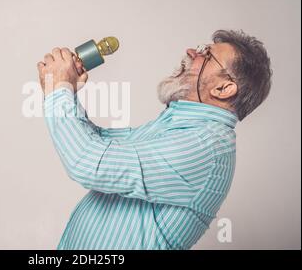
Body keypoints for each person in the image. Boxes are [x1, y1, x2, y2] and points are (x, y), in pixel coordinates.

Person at [36, 30, 272, 249]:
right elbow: (99, 144)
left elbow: (88, 163)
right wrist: (65, 92)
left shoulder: (206, 145)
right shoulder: (178, 127)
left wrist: (59, 91)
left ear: (223, 88)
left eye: (206, 55)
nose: (191, 51)